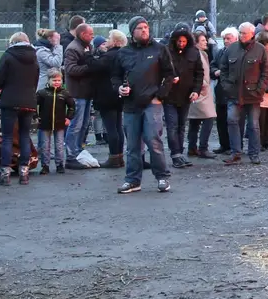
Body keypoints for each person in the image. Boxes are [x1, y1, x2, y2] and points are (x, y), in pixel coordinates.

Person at [112, 17, 174, 194]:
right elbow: (115, 76)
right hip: (131, 105)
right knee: (132, 145)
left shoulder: (159, 49)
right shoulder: (123, 53)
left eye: (146, 27)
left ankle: (162, 177)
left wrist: (160, 95)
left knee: (153, 140)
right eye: (140, 28)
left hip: (152, 103)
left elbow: (170, 75)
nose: (144, 30)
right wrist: (119, 88)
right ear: (132, 32)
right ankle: (132, 180)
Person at [0, 31, 40, 186]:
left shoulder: (8, 55)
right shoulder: (34, 57)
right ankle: (24, 173)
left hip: (10, 101)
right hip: (29, 101)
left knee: (8, 137)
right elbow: (36, 79)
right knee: (25, 136)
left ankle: (5, 174)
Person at [217, 22, 268, 166]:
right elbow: (224, 69)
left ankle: (254, 154)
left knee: (253, 125)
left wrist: (259, 89)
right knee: (232, 121)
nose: (241, 35)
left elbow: (266, 72)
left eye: (244, 33)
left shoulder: (260, 50)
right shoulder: (231, 49)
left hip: (253, 95)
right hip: (234, 94)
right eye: (240, 32)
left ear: (252, 34)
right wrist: (226, 87)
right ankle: (236, 153)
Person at [161, 25, 205, 169]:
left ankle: (180, 153)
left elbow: (199, 73)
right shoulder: (167, 52)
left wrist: (196, 90)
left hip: (186, 95)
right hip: (170, 95)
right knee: (172, 126)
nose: (181, 44)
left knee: (181, 126)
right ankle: (175, 154)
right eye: (179, 41)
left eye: (184, 41)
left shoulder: (193, 52)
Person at [88, 31, 128, 168]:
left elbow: (95, 66)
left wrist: (88, 55)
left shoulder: (110, 56)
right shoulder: (123, 54)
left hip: (106, 94)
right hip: (118, 94)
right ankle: (120, 156)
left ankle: (113, 157)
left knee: (111, 127)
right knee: (118, 126)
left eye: (109, 38)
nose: (107, 40)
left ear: (116, 41)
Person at [62, 22, 97, 162]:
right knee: (76, 124)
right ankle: (71, 152)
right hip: (77, 92)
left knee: (84, 123)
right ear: (83, 34)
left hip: (86, 91)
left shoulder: (87, 46)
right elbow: (70, 69)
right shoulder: (73, 48)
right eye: (91, 34)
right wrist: (89, 67)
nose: (93, 36)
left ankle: (78, 148)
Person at [35, 68, 74, 174]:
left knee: (59, 145)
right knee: (45, 145)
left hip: (60, 123)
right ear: (48, 80)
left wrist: (68, 118)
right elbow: (34, 105)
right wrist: (36, 117)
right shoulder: (42, 93)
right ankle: (45, 165)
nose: (57, 82)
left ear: (62, 80)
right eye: (54, 80)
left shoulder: (65, 93)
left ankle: (60, 164)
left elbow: (72, 106)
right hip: (44, 123)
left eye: (59, 80)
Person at [187, 31, 220, 158]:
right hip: (200, 91)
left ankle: (192, 147)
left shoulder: (203, 54)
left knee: (195, 120)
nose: (206, 42)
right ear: (195, 43)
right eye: (202, 40)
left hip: (201, 91)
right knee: (208, 117)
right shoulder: (195, 55)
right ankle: (202, 148)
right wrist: (203, 85)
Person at [212, 27, 239, 154]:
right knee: (221, 119)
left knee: (233, 120)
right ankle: (224, 144)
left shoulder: (240, 52)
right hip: (221, 90)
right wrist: (215, 72)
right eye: (224, 39)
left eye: (228, 38)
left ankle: (234, 146)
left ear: (236, 38)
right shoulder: (220, 52)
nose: (226, 41)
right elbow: (212, 65)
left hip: (234, 90)